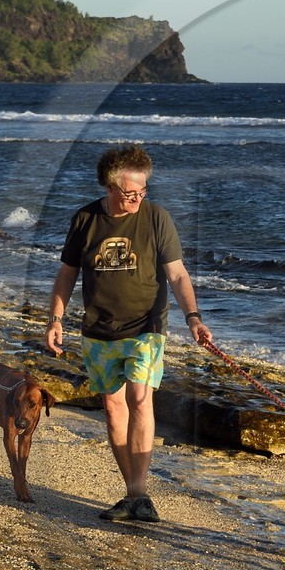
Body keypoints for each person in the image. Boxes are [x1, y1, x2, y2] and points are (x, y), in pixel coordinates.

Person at [46, 145, 212, 522]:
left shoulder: (156, 218)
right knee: (112, 407)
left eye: (143, 191)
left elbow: (178, 274)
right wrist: (55, 320)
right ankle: (133, 494)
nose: (138, 198)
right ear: (109, 187)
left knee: (139, 398)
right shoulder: (85, 220)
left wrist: (194, 318)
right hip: (98, 330)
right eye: (130, 192)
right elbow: (67, 275)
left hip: (146, 327)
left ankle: (139, 494)